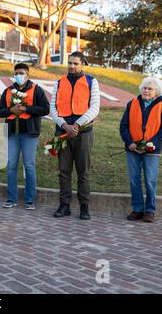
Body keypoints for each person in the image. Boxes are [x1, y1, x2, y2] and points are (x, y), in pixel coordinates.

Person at [49, 51, 100, 220]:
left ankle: (84, 207)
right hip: (62, 132)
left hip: (83, 133)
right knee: (64, 171)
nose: (72, 66)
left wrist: (77, 125)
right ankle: (64, 206)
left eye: (75, 63)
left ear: (82, 64)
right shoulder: (59, 82)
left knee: (83, 172)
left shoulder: (91, 82)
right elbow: (53, 107)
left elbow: (95, 107)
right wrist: (64, 125)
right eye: (70, 63)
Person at [0, 63, 50, 210]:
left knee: (29, 166)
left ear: (28, 75)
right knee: (11, 166)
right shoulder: (8, 91)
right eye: (16, 73)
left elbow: (45, 109)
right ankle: (11, 198)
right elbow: (0, 111)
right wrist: (11, 110)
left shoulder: (36, 90)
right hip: (13, 133)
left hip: (29, 133)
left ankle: (30, 200)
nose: (19, 76)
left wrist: (26, 109)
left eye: (22, 73)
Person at [120, 76, 162, 223]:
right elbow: (124, 126)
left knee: (150, 180)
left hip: (152, 150)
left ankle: (150, 211)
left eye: (150, 89)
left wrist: (150, 145)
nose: (146, 91)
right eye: (145, 88)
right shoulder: (132, 104)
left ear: (157, 92)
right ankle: (137, 209)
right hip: (132, 149)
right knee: (134, 180)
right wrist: (130, 142)